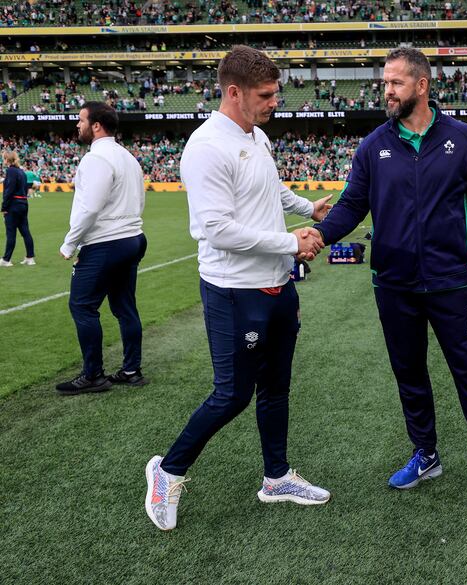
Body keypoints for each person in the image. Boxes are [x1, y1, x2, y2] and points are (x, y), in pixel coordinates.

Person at [311, 47, 467, 503]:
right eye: (384, 83)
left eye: (395, 83)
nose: (386, 91)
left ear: (422, 85)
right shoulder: (373, 145)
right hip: (394, 284)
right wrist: (319, 236)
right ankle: (425, 452)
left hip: (449, 281)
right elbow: (352, 204)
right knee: (409, 371)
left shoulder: (463, 138)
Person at [144, 46, 333, 532]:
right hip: (234, 291)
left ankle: (276, 478)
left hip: (277, 287)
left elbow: (270, 191)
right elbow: (217, 230)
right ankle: (168, 472)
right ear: (234, 93)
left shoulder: (258, 137)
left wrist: (307, 209)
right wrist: (289, 242)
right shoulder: (206, 147)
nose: (275, 102)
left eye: (275, 93)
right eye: (266, 95)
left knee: (276, 388)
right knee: (232, 394)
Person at [56, 102, 148, 394]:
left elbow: (90, 206)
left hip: (106, 242)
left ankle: (93, 375)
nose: (77, 125)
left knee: (82, 305)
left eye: (81, 120)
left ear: (96, 125)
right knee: (124, 306)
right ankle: (131, 370)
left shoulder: (96, 158)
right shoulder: (127, 157)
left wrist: (70, 242)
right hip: (132, 237)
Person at [1, 150, 35, 267]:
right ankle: (30, 258)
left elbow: (8, 191)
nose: (3, 161)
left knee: (11, 233)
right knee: (25, 231)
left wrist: (4, 207)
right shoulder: (21, 172)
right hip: (23, 204)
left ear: (7, 159)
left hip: (13, 205)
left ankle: (6, 260)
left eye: (4, 158)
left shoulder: (10, 171)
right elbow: (25, 189)